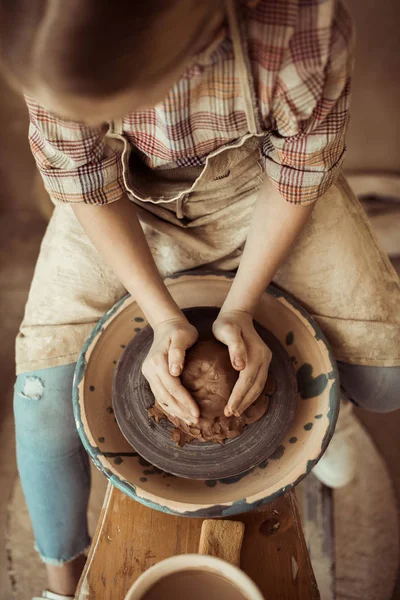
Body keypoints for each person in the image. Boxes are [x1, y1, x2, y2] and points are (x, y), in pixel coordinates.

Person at [0, 0, 399, 598]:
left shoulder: (294, 23)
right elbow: (83, 176)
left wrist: (240, 307)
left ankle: (325, 411)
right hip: (119, 198)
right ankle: (61, 579)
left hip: (259, 183)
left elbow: (295, 169)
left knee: (386, 380)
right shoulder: (44, 32)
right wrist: (161, 316)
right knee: (40, 402)